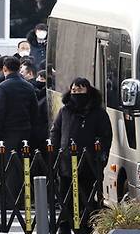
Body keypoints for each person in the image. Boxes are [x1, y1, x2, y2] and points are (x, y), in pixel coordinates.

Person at [50, 78, 112, 234]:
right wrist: (55, 151)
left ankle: (85, 227)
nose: (76, 93)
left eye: (80, 90)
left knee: (86, 197)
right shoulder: (65, 111)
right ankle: (64, 226)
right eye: (74, 90)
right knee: (65, 197)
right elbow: (56, 132)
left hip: (89, 164)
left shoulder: (98, 113)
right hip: (65, 163)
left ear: (88, 91)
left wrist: (101, 156)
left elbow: (106, 136)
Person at [0, 57, 38, 151]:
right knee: (24, 161)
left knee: (9, 162)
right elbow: (34, 110)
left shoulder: (2, 87)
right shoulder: (29, 86)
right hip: (25, 130)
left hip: (8, 132)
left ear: (5, 68)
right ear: (18, 68)